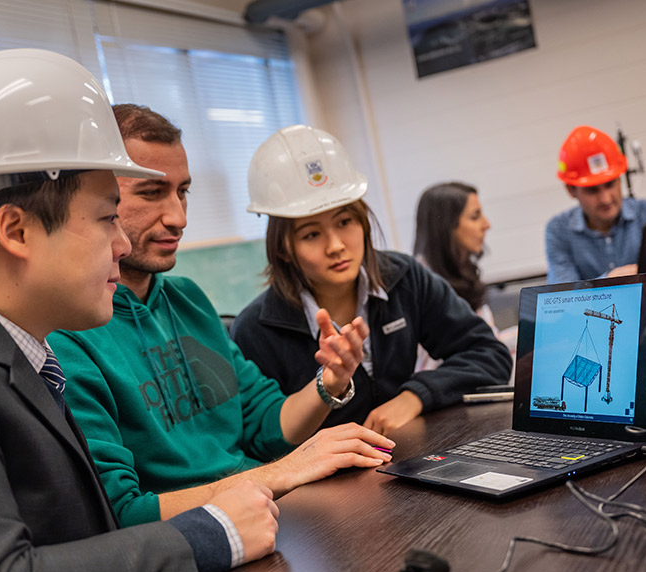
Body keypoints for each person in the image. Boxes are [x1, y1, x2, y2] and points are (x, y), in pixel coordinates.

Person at [0, 50, 279, 572]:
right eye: (104, 219)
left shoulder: (16, 347)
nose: (123, 244)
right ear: (15, 231)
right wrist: (212, 532)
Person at [48, 105, 394, 528]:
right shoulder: (66, 334)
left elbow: (262, 422)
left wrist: (330, 383)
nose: (178, 217)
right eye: (152, 192)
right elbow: (121, 513)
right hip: (200, 538)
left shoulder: (189, 299)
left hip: (268, 512)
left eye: (183, 192)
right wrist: (280, 473)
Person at [231, 125, 512, 434]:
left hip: (411, 455)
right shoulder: (256, 329)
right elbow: (261, 437)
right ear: (283, 249)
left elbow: (489, 353)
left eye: (345, 221)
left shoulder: (404, 277)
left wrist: (415, 396)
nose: (336, 245)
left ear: (363, 222)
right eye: (311, 234)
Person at [412, 182, 516, 371]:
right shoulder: (420, 286)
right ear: (446, 226)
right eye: (475, 217)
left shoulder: (462, 272)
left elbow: (488, 341)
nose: (486, 224)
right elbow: (433, 367)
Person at [545, 126, 646, 284]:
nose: (605, 199)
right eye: (592, 190)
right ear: (571, 190)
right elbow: (562, 299)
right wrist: (612, 280)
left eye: (610, 184)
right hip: (591, 311)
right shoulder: (559, 231)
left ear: (620, 179)